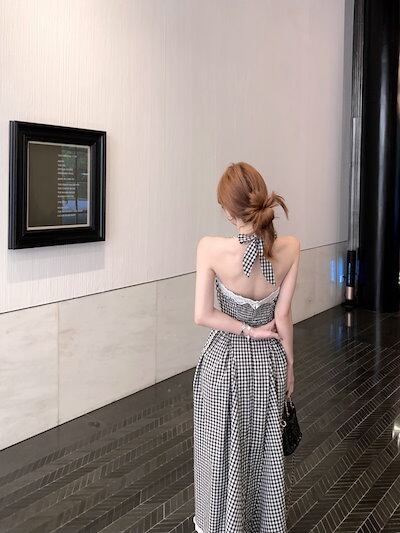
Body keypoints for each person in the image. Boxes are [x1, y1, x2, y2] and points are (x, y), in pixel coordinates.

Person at [192, 162, 300, 532]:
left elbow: (203, 314)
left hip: (224, 363)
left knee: (220, 451)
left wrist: (245, 330)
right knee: (263, 452)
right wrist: (289, 368)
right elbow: (282, 316)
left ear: (228, 210)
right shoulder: (290, 248)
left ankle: (222, 523)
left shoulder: (210, 248)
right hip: (269, 362)